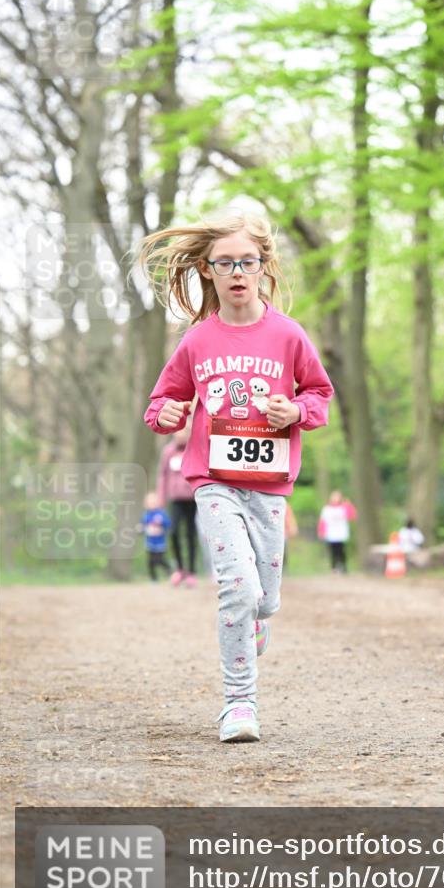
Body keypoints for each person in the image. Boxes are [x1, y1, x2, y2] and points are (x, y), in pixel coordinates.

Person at [140, 210, 333, 742]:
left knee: (264, 598)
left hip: (269, 486)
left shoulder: (288, 336)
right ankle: (239, 703)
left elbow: (319, 394)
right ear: (207, 270)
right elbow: (161, 402)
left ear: (263, 266)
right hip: (214, 481)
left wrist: (295, 412)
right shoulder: (198, 340)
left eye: (246, 261)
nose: (236, 272)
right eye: (224, 263)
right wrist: (169, 416)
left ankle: (258, 619)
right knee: (236, 587)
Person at [158, 423, 198, 587]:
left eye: (185, 431)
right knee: (173, 531)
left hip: (193, 498)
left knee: (190, 533)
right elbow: (162, 475)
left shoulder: (194, 449)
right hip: (175, 499)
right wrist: (161, 497)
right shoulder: (168, 451)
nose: (181, 434)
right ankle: (180, 569)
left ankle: (192, 571)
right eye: (178, 431)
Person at [317, 491, 357, 573]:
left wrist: (349, 505)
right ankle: (334, 567)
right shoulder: (327, 509)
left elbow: (352, 516)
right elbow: (323, 521)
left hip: (341, 534)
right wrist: (321, 531)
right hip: (331, 534)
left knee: (341, 551)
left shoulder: (343, 508)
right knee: (333, 551)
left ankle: (343, 566)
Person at [138, 492, 172, 581]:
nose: (151, 505)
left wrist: (161, 522)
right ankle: (153, 578)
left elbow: (168, 524)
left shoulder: (161, 514)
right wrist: (140, 529)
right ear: (145, 504)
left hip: (160, 543)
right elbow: (142, 527)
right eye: (149, 503)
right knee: (150, 562)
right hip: (150, 543)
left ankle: (169, 571)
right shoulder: (146, 516)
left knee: (159, 560)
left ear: (158, 503)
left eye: (153, 502)